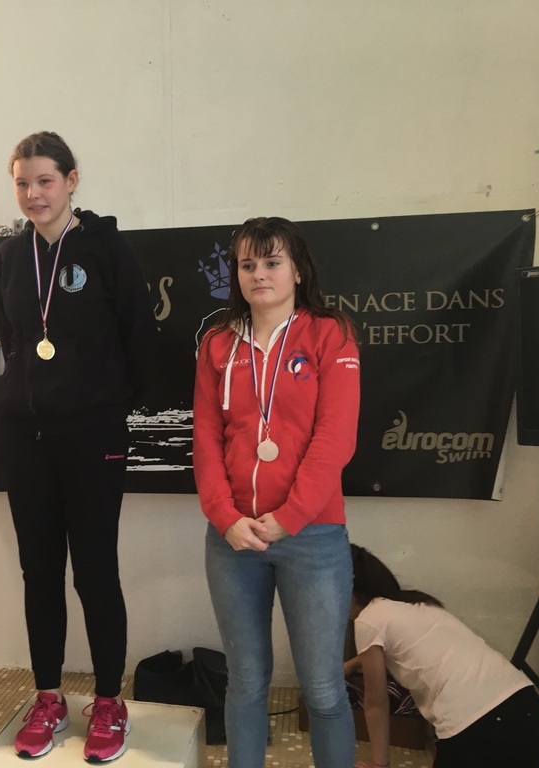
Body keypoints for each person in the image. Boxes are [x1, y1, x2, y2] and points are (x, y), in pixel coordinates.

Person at [0, 131, 156, 763]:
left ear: (71, 180)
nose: (34, 194)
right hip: (26, 438)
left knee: (94, 570)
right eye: (23, 183)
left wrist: (104, 406)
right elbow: (12, 341)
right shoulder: (9, 258)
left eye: (45, 181)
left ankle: (109, 702)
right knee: (38, 572)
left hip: (92, 435)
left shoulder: (107, 248)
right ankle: (48, 697)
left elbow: (139, 336)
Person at [192, 216, 361, 768]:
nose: (259, 274)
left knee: (323, 688)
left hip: (312, 536)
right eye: (247, 264)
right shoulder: (218, 344)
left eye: (272, 262)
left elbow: (335, 438)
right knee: (244, 682)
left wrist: (290, 516)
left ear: (298, 269)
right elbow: (206, 439)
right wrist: (224, 516)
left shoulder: (329, 334)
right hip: (233, 539)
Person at [347, 544, 539, 768]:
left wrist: (380, 764)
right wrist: (353, 664)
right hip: (528, 711)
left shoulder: (368, 619)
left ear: (349, 593)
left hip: (480, 729)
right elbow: (397, 648)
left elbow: (375, 704)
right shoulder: (414, 604)